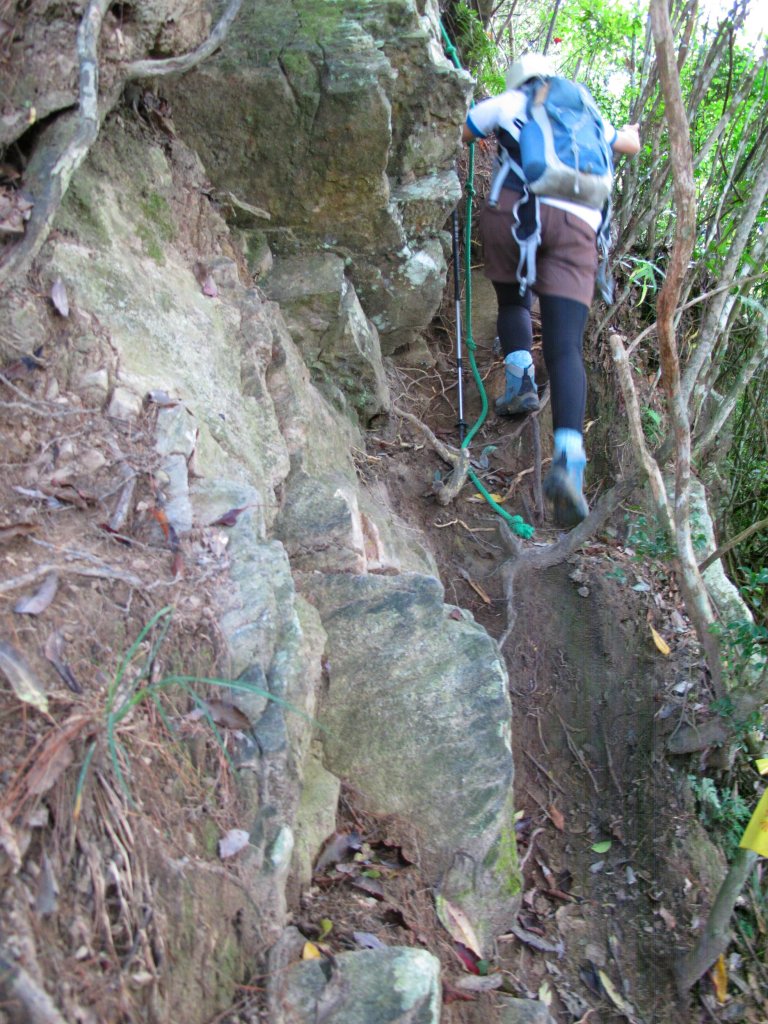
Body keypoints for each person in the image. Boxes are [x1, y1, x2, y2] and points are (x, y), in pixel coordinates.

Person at [462, 53, 640, 527]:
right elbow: (631, 144)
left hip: (516, 213)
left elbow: (464, 130)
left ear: (520, 81)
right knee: (565, 349)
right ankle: (568, 460)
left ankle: (519, 380)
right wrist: (632, 129)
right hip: (580, 228)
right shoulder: (586, 117)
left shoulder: (507, 101)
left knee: (512, 299)